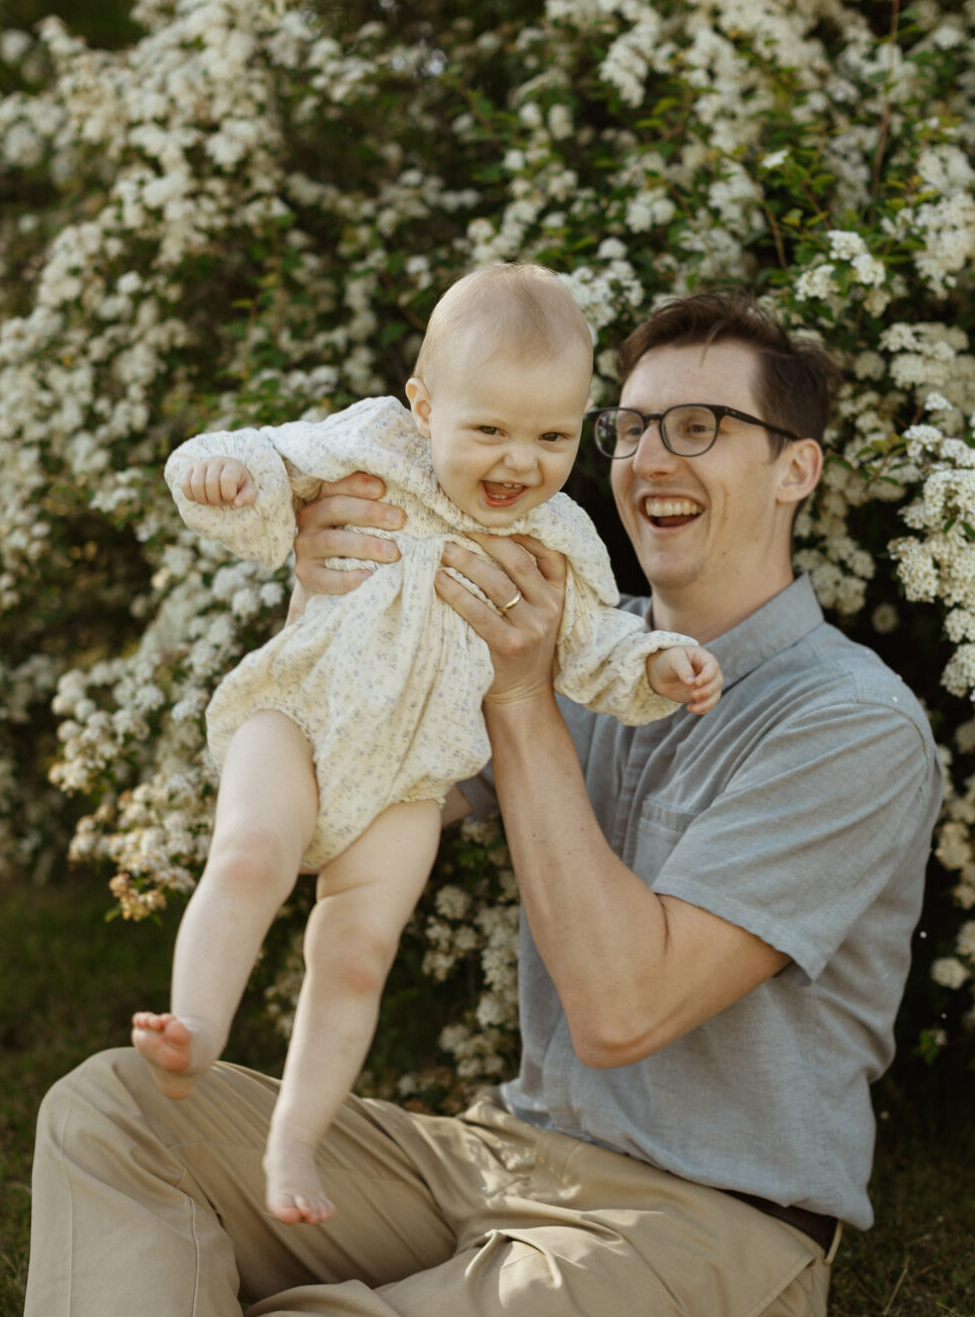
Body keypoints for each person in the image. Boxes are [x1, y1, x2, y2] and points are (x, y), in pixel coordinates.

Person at [0, 290, 941, 1317]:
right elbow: (353, 806)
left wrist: (519, 695)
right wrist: (332, 582)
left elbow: (622, 1009)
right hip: (495, 1154)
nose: (649, 457)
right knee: (113, 1107)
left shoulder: (844, 720)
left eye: (699, 426)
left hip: (698, 1231)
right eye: (632, 427)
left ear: (795, 469)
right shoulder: (567, 639)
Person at [131, 263, 720, 1224]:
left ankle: (291, 1143)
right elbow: (265, 461)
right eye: (487, 430)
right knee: (247, 855)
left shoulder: (559, 536)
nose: (518, 462)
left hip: (409, 779)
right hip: (300, 715)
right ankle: (195, 1029)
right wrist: (226, 476)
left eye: (552, 436)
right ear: (422, 406)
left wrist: (656, 663)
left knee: (359, 952)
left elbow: (595, 643)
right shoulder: (371, 444)